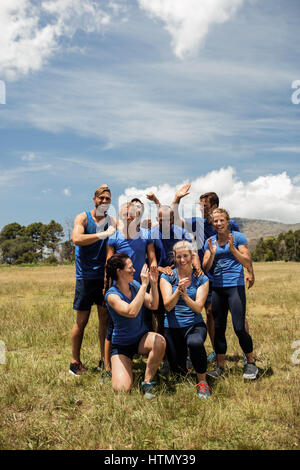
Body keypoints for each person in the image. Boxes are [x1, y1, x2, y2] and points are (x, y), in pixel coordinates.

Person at [171, 185, 255, 363]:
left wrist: (250, 271)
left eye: (205, 206)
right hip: (207, 276)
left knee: (238, 316)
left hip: (231, 279)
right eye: (200, 206)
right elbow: (176, 220)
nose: (201, 209)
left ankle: (248, 355)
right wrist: (177, 199)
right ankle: (217, 353)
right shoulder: (198, 223)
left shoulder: (230, 225)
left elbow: (243, 251)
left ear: (215, 207)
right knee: (210, 313)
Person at [103, 202, 157, 378]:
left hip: (141, 283)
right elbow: (109, 263)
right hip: (121, 286)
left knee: (147, 321)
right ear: (121, 216)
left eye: (132, 214)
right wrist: (107, 286)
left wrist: (154, 274)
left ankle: (152, 361)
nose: (129, 217)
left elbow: (152, 258)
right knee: (113, 327)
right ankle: (107, 367)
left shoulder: (146, 235)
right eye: (126, 214)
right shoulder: (115, 237)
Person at [202, 208, 258, 380]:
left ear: (227, 221)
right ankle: (220, 367)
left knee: (239, 327)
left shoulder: (238, 238)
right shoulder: (210, 241)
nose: (218, 224)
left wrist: (233, 249)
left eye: (221, 220)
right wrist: (211, 254)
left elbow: (247, 261)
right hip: (218, 288)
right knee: (219, 329)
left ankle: (251, 363)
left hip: (235, 287)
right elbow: (205, 267)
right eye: (215, 221)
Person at [70, 184, 117, 376]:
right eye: (101, 198)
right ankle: (75, 362)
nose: (104, 202)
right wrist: (101, 235)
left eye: (108, 199)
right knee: (82, 321)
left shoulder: (112, 221)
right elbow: (76, 238)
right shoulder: (83, 217)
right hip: (85, 277)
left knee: (104, 320)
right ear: (94, 199)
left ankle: (104, 360)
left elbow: (127, 231)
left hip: (104, 277)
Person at [105, 254, 166, 398]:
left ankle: (148, 382)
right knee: (122, 390)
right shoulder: (111, 295)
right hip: (122, 345)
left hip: (140, 339)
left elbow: (153, 304)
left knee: (160, 341)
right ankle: (124, 367)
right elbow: (131, 311)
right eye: (130, 268)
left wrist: (154, 284)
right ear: (119, 272)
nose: (134, 271)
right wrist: (144, 285)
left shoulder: (134, 285)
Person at [159, 241, 211, 399]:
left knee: (195, 343)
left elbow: (198, 308)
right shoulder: (167, 276)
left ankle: (202, 382)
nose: (182, 260)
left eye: (185, 256)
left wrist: (185, 296)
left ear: (192, 256)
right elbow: (167, 306)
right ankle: (186, 362)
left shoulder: (201, 279)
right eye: (179, 257)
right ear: (174, 257)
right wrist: (178, 292)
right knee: (179, 374)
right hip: (172, 328)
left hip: (194, 325)